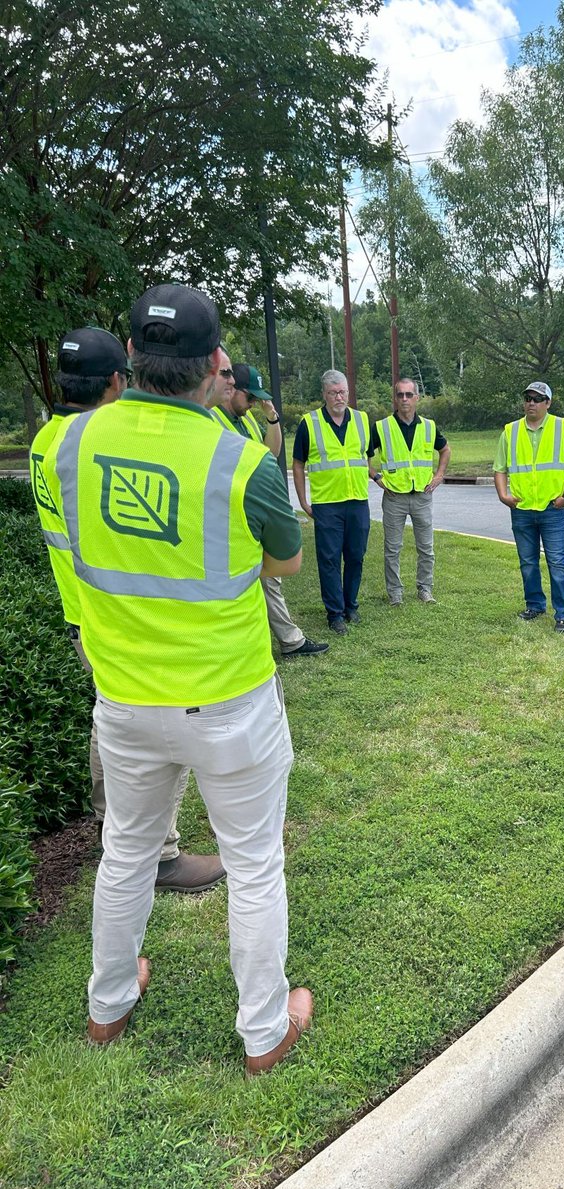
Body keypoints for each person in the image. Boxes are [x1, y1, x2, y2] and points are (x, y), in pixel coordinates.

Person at [46, 284, 312, 1074]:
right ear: (215, 367)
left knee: (126, 853)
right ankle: (265, 1032)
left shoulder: (65, 446)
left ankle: (108, 1007)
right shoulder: (241, 461)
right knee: (255, 863)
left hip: (124, 698)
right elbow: (284, 561)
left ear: (129, 358)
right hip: (227, 699)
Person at [30, 328, 224, 893]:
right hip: (117, 611)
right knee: (154, 727)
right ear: (119, 380)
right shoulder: (95, 441)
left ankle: (112, 829)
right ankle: (157, 854)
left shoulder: (50, 438)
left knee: (110, 719)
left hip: (84, 608)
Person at [211, 361, 328, 657]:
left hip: (251, 513)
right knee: (256, 579)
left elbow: (271, 453)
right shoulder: (211, 420)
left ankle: (289, 639)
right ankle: (285, 640)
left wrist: (272, 418)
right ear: (230, 388)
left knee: (268, 578)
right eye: (250, 396)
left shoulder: (247, 419)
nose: (252, 403)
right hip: (228, 516)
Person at [492, 381, 564, 633]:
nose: (531, 402)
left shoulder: (563, 428)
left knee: (557, 561)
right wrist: (503, 495)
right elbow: (499, 468)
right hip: (521, 509)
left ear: (548, 403)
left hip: (552, 509)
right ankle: (535, 605)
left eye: (537, 398)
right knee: (528, 562)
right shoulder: (510, 432)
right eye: (527, 398)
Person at [292, 369, 373, 635]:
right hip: (327, 504)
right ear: (324, 395)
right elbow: (298, 464)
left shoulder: (362, 420)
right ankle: (335, 614)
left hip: (357, 501)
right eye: (333, 393)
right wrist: (303, 501)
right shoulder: (310, 423)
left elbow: (366, 456)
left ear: (349, 392)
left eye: (343, 392)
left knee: (356, 557)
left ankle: (351, 606)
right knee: (329, 560)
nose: (339, 397)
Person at [370, 378, 450, 605]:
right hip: (394, 496)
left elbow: (445, 450)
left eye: (408, 394)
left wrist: (439, 475)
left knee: (426, 548)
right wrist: (376, 477)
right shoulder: (382, 427)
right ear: (394, 399)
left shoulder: (429, 426)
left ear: (417, 398)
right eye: (400, 395)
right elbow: (363, 455)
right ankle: (395, 593)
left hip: (422, 495)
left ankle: (425, 589)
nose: (404, 399)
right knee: (392, 549)